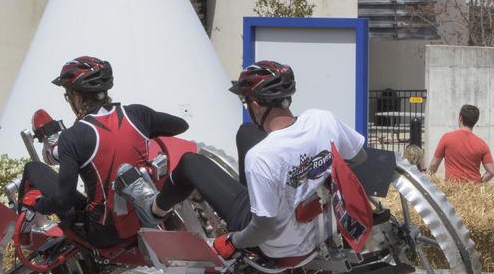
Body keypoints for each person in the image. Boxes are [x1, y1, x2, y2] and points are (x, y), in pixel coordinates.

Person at [152, 61, 366, 262]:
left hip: (280, 247)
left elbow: (262, 228)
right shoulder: (323, 120)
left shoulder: (262, 157)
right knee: (246, 132)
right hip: (323, 229)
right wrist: (315, 183)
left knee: (190, 162)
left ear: (255, 105)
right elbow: (358, 158)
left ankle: (155, 211)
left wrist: (231, 241)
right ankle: (262, 195)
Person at [20, 56, 190, 247]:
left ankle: (23, 236)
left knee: (33, 169)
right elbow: (181, 125)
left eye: (68, 95)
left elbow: (64, 201)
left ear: (77, 96)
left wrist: (39, 204)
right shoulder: (137, 114)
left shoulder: (73, 136)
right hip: (146, 215)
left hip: (104, 232)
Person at [429, 105, 494, 183]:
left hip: (452, 187)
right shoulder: (482, 144)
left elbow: (434, 164)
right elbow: (491, 172)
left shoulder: (447, 138)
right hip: (473, 190)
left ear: (460, 118)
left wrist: (429, 179)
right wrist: (478, 183)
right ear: (475, 121)